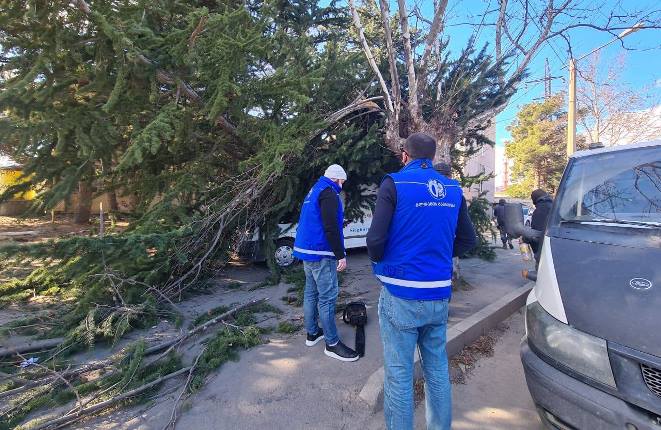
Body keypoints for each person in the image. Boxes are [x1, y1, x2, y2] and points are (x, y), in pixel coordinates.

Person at [367, 133, 477, 429]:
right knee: (437, 370)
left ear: (405, 155)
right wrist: (440, 254)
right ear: (432, 156)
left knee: (400, 374)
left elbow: (375, 239)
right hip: (438, 295)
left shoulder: (395, 183)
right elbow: (468, 240)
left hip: (401, 292)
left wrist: (381, 263)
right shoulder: (453, 189)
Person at [292, 164, 359, 362]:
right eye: (343, 181)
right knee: (328, 298)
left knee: (311, 292)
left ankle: (312, 333)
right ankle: (332, 343)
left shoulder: (314, 191)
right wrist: (340, 254)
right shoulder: (329, 194)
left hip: (307, 250)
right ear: (338, 179)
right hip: (321, 252)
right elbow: (331, 227)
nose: (343, 185)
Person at [528, 189, 553, 264]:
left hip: (544, 251)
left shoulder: (542, 209)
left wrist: (526, 238)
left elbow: (537, 233)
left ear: (535, 200)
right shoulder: (554, 205)